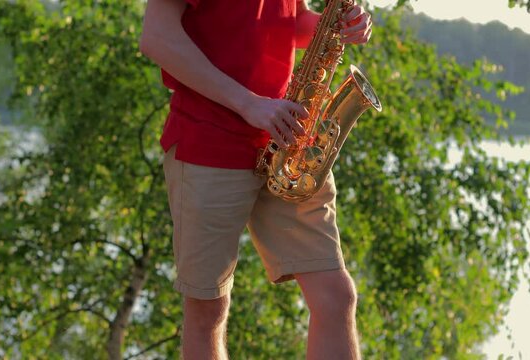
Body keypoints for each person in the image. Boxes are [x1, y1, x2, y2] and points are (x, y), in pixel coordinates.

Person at [140, 0, 372, 358]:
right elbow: (157, 37)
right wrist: (248, 104)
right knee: (208, 311)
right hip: (208, 142)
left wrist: (338, 27)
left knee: (336, 296)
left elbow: (286, 24)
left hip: (288, 140)